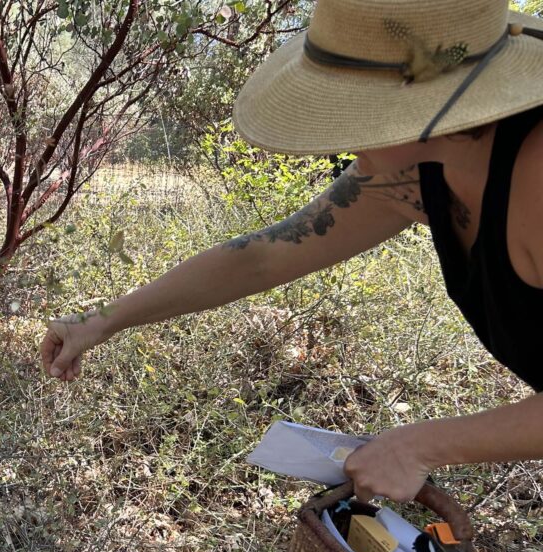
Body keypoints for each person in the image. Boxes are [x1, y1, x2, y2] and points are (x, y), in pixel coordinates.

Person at [39, 0, 543, 504]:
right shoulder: (415, 167)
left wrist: (422, 447)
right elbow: (260, 257)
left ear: (428, 101)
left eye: (348, 101)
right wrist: (101, 320)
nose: (335, 131)